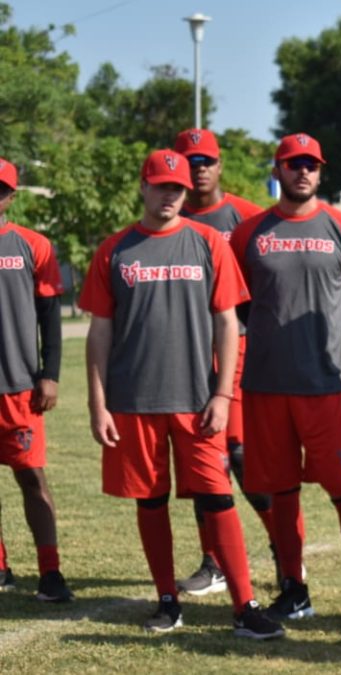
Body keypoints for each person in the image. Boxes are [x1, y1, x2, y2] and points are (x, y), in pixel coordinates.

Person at [80, 149, 283, 639]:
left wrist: (222, 395)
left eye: (178, 189)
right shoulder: (115, 250)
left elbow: (228, 324)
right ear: (143, 187)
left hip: (197, 402)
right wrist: (97, 402)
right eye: (161, 186)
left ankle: (244, 604)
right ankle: (167, 601)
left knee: (217, 499)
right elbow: (99, 332)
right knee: (151, 502)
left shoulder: (208, 243)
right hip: (132, 402)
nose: (170, 195)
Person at [229, 133, 341, 627]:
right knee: (280, 492)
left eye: (311, 165)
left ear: (321, 172)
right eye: (293, 164)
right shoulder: (249, 233)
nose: (303, 172)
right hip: (266, 386)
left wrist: (325, 332)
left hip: (326, 386)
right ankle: (294, 589)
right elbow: (239, 303)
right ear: (277, 170)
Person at [171, 128, 278, 596]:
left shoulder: (248, 216)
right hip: (188, 355)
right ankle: (213, 562)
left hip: (242, 351)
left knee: (241, 458)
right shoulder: (169, 218)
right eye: (189, 161)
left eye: (205, 161)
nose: (198, 169)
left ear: (219, 165)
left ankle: (282, 550)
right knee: (200, 461)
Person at [0, 156, 73, 603]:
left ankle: (50, 572)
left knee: (32, 480)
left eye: (0, 188)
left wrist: (50, 375)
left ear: (11, 195)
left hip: (19, 388)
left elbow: (51, 316)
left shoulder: (33, 245)